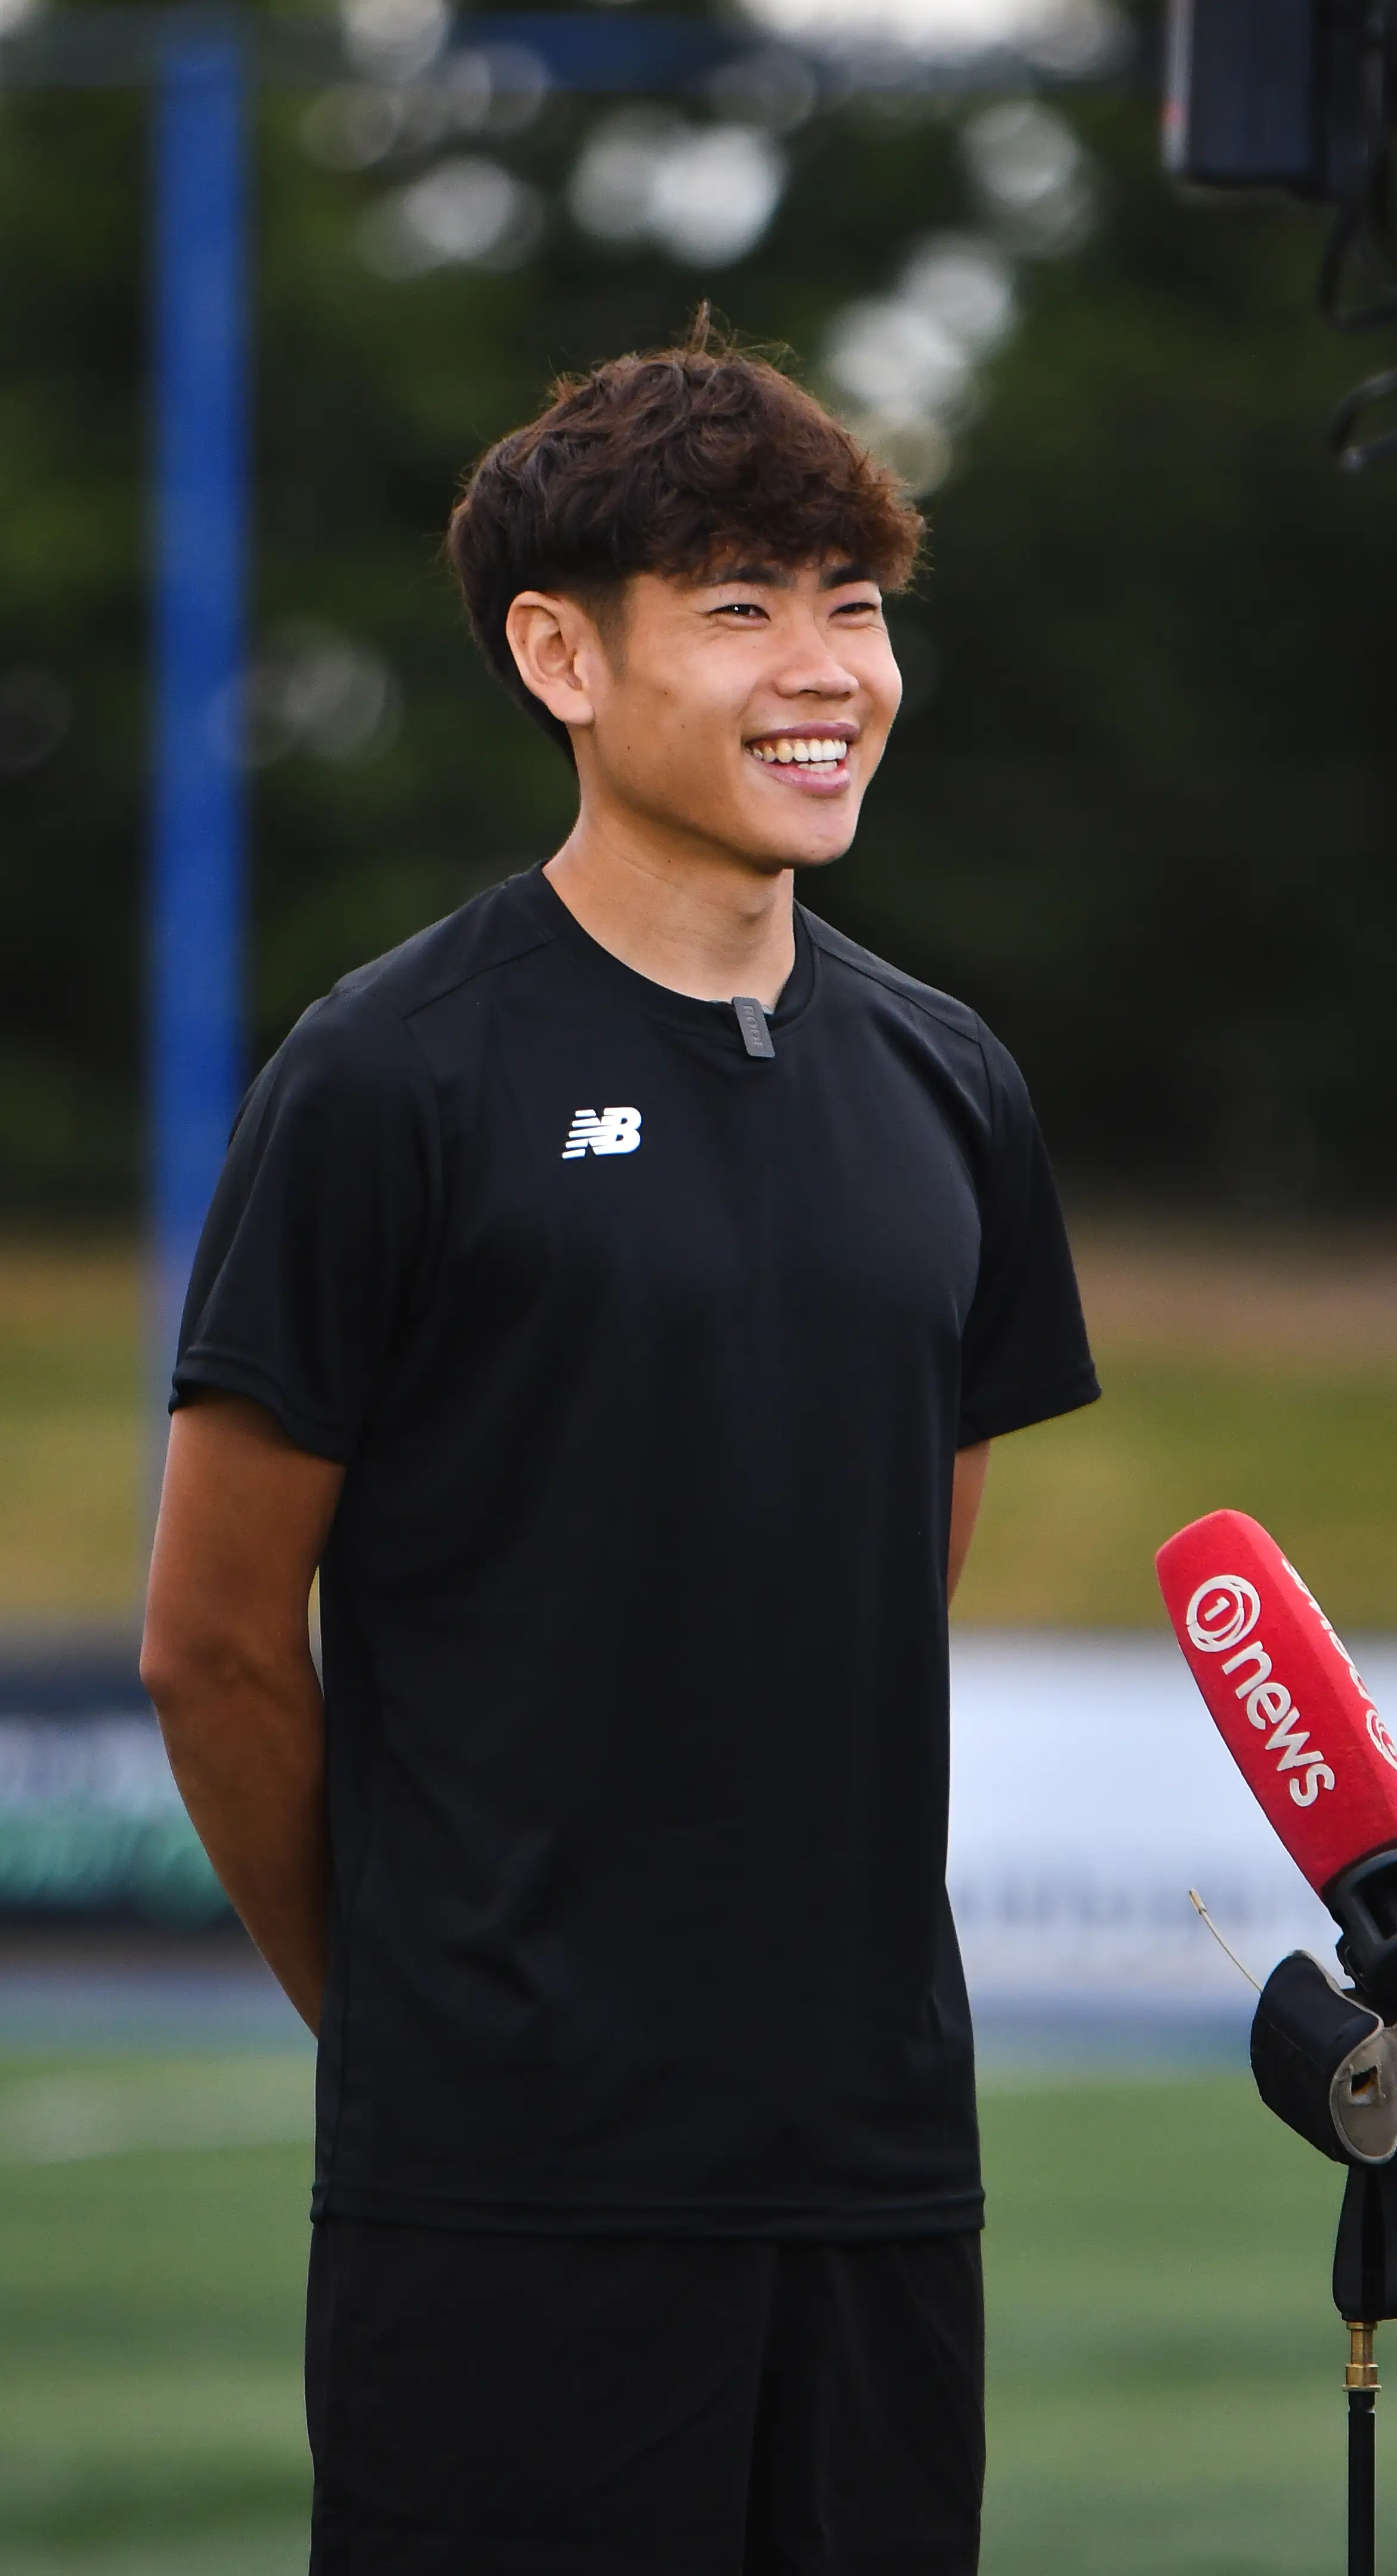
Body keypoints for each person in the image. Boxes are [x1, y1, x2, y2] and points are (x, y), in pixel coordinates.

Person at [141, 326, 1098, 2575]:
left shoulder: (955, 1084)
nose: (826, 669)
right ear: (559, 654)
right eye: (744, 602)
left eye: (854, 603)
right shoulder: (389, 1077)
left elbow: (888, 1564)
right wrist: (418, 2027)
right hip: (506, 2191)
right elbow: (213, 1642)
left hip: (872, 2178)